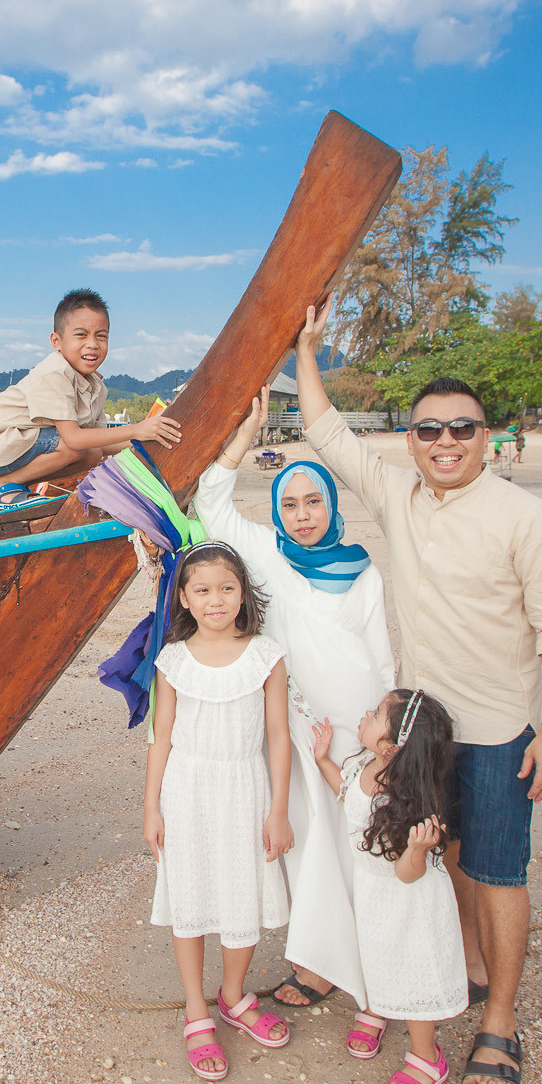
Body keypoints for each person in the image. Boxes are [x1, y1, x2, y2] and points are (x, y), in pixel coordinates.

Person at [295, 298, 542, 1084]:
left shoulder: (527, 517)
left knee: (497, 870)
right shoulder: (400, 497)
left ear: (486, 436)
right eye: (429, 429)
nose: (445, 440)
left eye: (462, 427)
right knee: (441, 854)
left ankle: (499, 1020)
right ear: (411, 440)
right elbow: (328, 434)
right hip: (421, 734)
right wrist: (307, 351)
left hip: (495, 731)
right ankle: (465, 965)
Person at [196, 387, 392, 1012]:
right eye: (289, 503)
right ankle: (316, 964)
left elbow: (381, 658)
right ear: (276, 511)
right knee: (308, 844)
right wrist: (244, 436)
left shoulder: (362, 571)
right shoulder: (266, 556)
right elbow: (211, 503)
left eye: (313, 502)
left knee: (361, 841)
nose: (302, 515)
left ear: (332, 504)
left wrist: (386, 736)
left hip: (357, 731)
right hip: (298, 729)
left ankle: (377, 958)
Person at [143, 542, 296, 1082]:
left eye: (227, 588)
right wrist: (151, 807)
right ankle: (196, 1009)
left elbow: (278, 737)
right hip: (186, 789)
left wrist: (279, 810)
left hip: (244, 787)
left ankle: (233, 994)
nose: (216, 600)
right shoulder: (172, 660)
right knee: (189, 893)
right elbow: (162, 737)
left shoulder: (265, 655)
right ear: (184, 598)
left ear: (242, 593)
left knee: (241, 891)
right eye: (203, 590)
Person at [310, 688, 466, 1084]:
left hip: (409, 902)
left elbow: (408, 874)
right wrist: (323, 761)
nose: (366, 712)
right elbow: (349, 795)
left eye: (377, 713)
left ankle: (427, 1055)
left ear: (392, 746)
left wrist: (416, 849)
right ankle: (378, 1005)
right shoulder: (367, 764)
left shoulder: (408, 800)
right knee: (377, 956)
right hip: (375, 893)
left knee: (412, 967)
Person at [0, 289, 181, 509]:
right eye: (81, 335)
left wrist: (148, 436)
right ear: (56, 341)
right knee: (73, 446)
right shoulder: (54, 372)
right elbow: (74, 439)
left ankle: (14, 485)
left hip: (20, 448)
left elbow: (101, 443)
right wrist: (135, 429)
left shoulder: (96, 386)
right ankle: (2, 486)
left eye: (101, 336)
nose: (92, 344)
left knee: (93, 453)